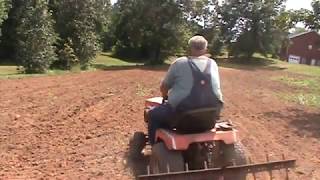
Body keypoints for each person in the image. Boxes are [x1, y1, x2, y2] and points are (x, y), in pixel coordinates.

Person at [148, 35, 223, 145]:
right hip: (211, 114)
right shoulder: (213, 64)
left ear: (189, 48)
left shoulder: (179, 63)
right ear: (205, 49)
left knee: (153, 114)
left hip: (183, 116)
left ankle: (153, 147)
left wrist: (165, 96)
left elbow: (164, 86)